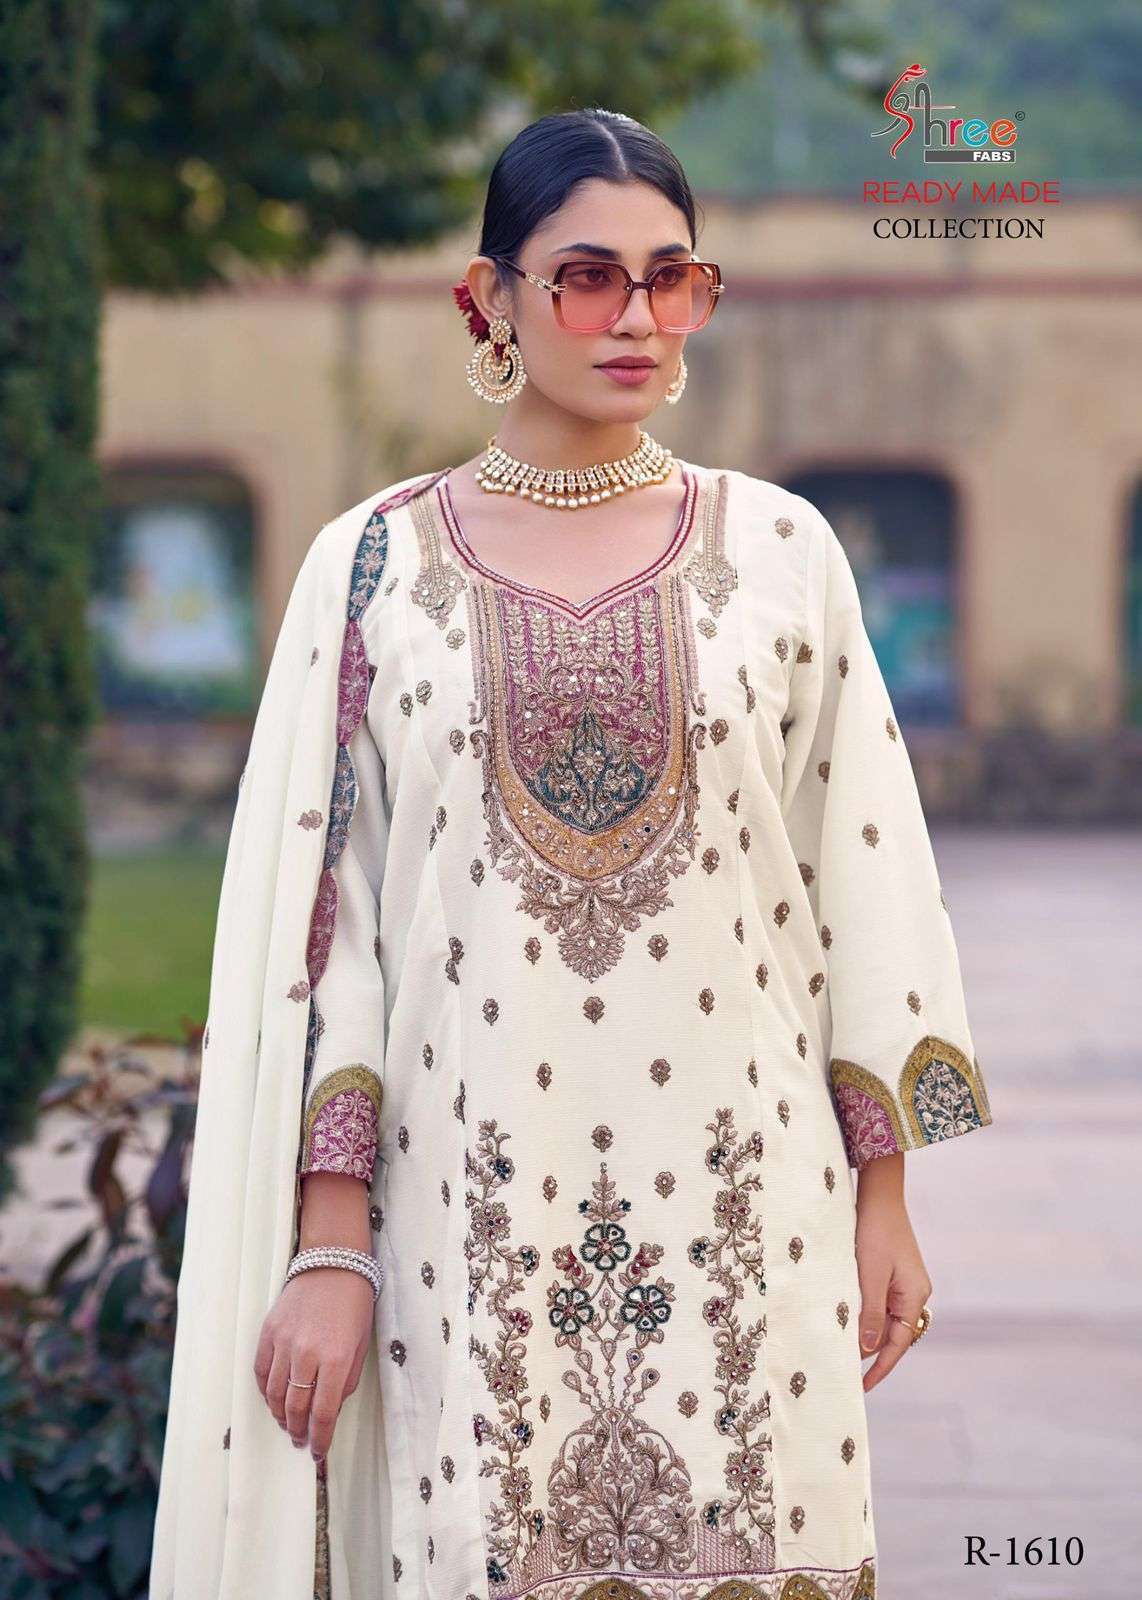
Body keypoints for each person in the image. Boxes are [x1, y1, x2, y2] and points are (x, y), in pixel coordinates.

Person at [150, 107, 993, 1600]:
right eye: (588, 277)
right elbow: (331, 925)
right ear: (490, 299)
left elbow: (861, 873)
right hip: (467, 1213)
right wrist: (331, 1247)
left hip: (748, 1206)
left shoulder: (782, 551)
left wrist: (885, 1203)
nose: (638, 318)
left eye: (673, 278)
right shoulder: (375, 569)